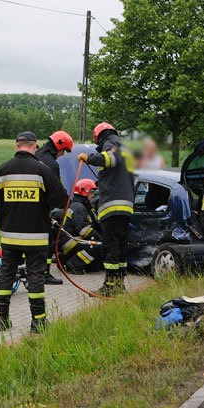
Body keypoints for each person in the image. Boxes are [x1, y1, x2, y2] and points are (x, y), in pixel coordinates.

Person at [0, 131, 66, 333]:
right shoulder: (43, 171)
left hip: (10, 236)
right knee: (35, 278)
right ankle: (38, 322)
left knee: (6, 275)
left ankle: (1, 320)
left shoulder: (2, 170)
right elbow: (61, 200)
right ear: (34, 146)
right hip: (36, 237)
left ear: (16, 146)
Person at [77, 122, 134, 296]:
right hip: (126, 205)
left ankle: (110, 286)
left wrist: (90, 158)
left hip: (113, 206)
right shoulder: (125, 147)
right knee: (120, 246)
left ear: (99, 136)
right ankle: (119, 284)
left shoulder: (112, 143)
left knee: (110, 246)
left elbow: (109, 158)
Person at [36, 130, 74, 285]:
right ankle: (44, 273)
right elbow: (56, 191)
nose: (63, 154)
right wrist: (68, 204)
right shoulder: (51, 164)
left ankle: (28, 270)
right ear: (58, 146)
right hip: (42, 210)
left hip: (25, 208)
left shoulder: (36, 156)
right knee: (50, 241)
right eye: (63, 150)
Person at [59, 178, 103, 274]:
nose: (92, 195)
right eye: (91, 192)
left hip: (74, 239)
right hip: (71, 241)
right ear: (84, 192)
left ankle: (66, 260)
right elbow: (83, 229)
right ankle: (73, 264)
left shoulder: (83, 206)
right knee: (97, 246)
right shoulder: (78, 207)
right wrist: (99, 237)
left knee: (96, 266)